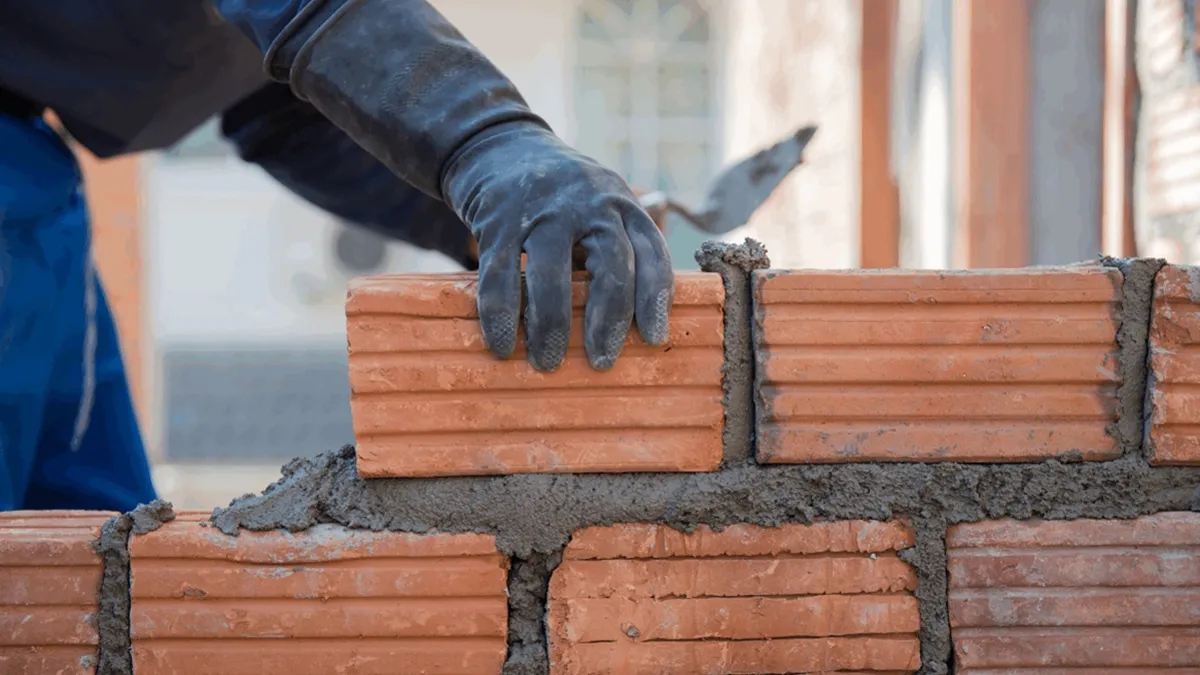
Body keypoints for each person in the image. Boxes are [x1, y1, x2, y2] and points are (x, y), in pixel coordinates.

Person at [0, 0, 675, 512]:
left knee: (91, 556)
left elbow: (282, 112)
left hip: (34, 184)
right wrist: (488, 137)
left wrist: (482, 219)